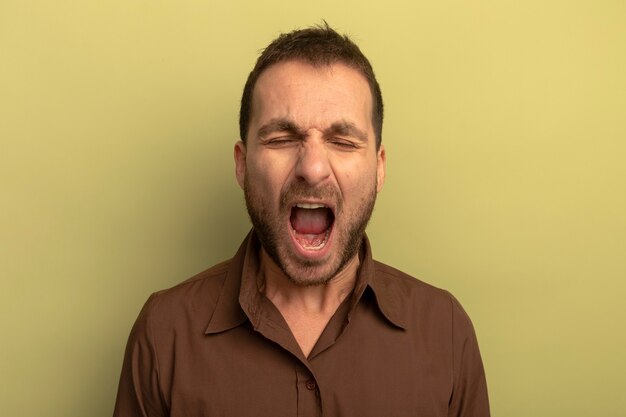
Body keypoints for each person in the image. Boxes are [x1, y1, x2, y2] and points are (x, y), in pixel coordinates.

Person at [113, 23, 490, 417]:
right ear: (242, 166)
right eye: (281, 139)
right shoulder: (164, 333)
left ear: (379, 169)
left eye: (343, 142)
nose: (311, 168)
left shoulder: (445, 331)